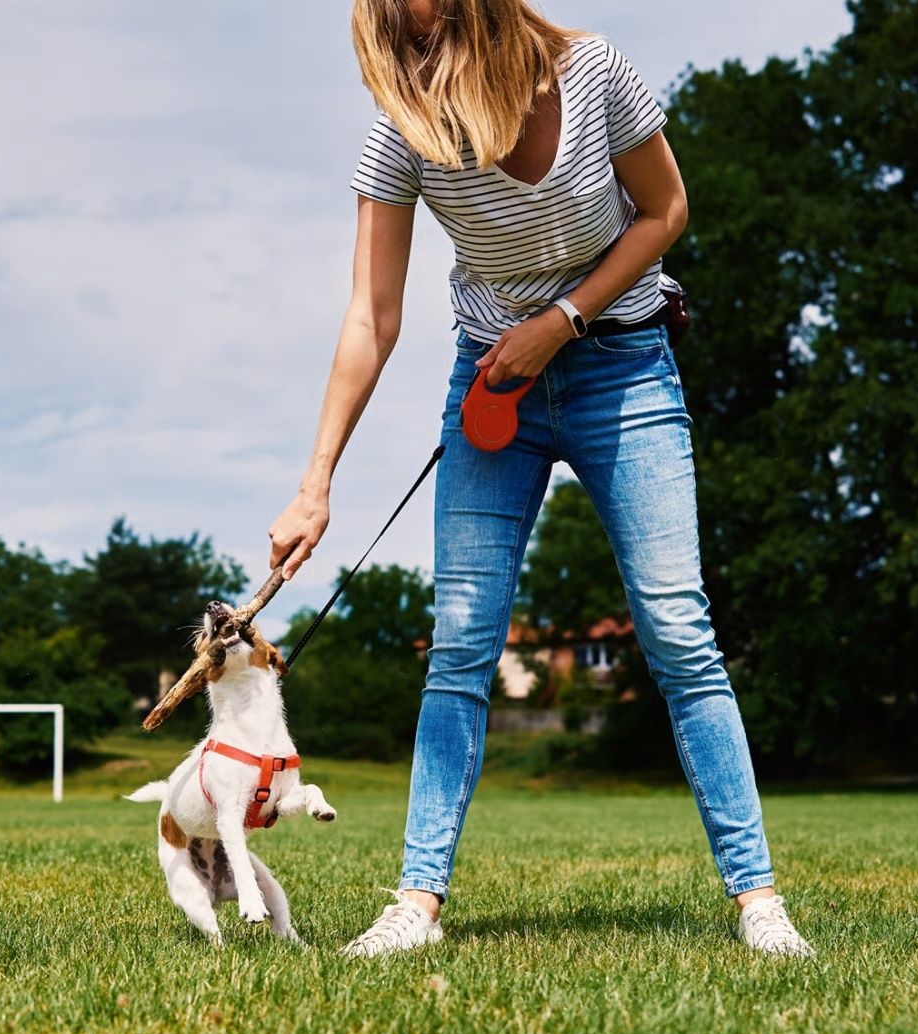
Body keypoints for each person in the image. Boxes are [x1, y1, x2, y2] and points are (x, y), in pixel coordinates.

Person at [266, 0, 814, 959]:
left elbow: (667, 212)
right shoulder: (402, 134)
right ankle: (416, 907)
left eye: (428, 31)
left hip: (625, 366)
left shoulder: (594, 71)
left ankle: (759, 901)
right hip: (492, 384)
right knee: (461, 646)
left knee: (679, 628)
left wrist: (561, 319)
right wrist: (315, 482)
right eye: (399, 38)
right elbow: (370, 318)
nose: (416, 52)